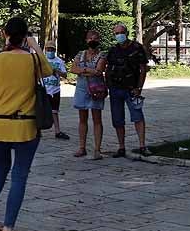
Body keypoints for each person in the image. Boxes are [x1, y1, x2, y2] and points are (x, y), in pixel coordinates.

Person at [0, 16, 52, 231]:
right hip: (25, 126)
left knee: (0, 167)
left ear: (4, 34)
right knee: (19, 174)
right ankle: (8, 228)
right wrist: (35, 45)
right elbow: (48, 71)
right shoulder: (32, 61)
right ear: (25, 36)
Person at [104, 23, 150, 158]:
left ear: (126, 33)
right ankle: (121, 147)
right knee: (117, 120)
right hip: (115, 89)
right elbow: (107, 69)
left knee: (137, 116)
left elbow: (143, 69)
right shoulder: (113, 50)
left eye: (121, 32)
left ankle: (142, 146)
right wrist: (108, 85)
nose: (119, 35)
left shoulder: (137, 48)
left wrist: (139, 88)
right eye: (116, 33)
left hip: (132, 89)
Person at [70, 30, 106, 159]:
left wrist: (82, 70)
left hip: (96, 90)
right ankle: (82, 147)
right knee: (82, 118)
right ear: (86, 40)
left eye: (95, 38)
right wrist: (88, 70)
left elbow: (99, 70)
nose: (92, 40)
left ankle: (97, 149)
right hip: (82, 89)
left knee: (97, 118)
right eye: (90, 38)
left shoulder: (102, 55)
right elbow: (73, 69)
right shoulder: (80, 54)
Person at [43, 42, 69, 140]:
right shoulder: (42, 60)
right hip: (44, 89)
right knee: (41, 110)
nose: (50, 51)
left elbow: (65, 75)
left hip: (55, 89)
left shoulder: (59, 61)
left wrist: (56, 71)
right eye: (48, 49)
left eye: (52, 49)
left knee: (55, 111)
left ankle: (57, 131)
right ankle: (37, 130)